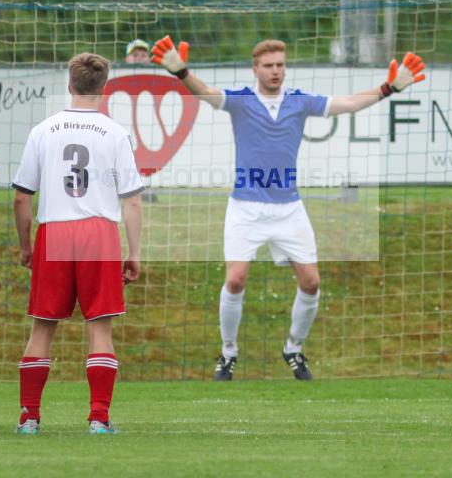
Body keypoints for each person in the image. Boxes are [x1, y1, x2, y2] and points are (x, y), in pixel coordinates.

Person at [150, 35, 426, 381]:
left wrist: (388, 88)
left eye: (280, 65)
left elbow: (350, 104)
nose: (276, 71)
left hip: (288, 209)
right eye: (269, 66)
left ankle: (293, 349)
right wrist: (181, 72)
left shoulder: (300, 101)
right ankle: (228, 353)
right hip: (246, 209)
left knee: (311, 282)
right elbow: (207, 94)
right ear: (256, 69)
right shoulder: (241, 100)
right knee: (235, 280)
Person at [10, 52, 146, 435]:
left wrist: (25, 245)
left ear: (70, 86)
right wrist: (133, 252)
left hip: (54, 230)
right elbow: (132, 199)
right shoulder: (116, 133)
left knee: (42, 328)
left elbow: (22, 197)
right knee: (100, 329)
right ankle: (99, 419)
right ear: (104, 88)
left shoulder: (43, 130)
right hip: (99, 232)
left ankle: (29, 418)